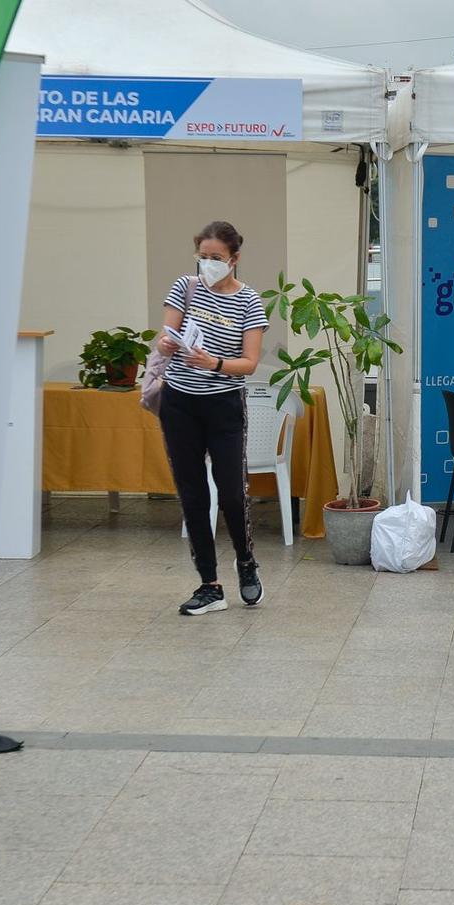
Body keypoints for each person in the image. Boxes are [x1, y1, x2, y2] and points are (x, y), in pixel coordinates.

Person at [157, 220, 269, 616]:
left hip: (223, 404)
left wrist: (214, 362)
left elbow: (250, 363)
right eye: (203, 257)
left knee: (231, 492)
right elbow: (165, 334)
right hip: (178, 402)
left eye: (216, 258)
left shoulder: (249, 301)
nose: (208, 264)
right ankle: (209, 584)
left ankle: (246, 562)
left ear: (234, 259)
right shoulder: (184, 287)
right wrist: (170, 342)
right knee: (192, 493)